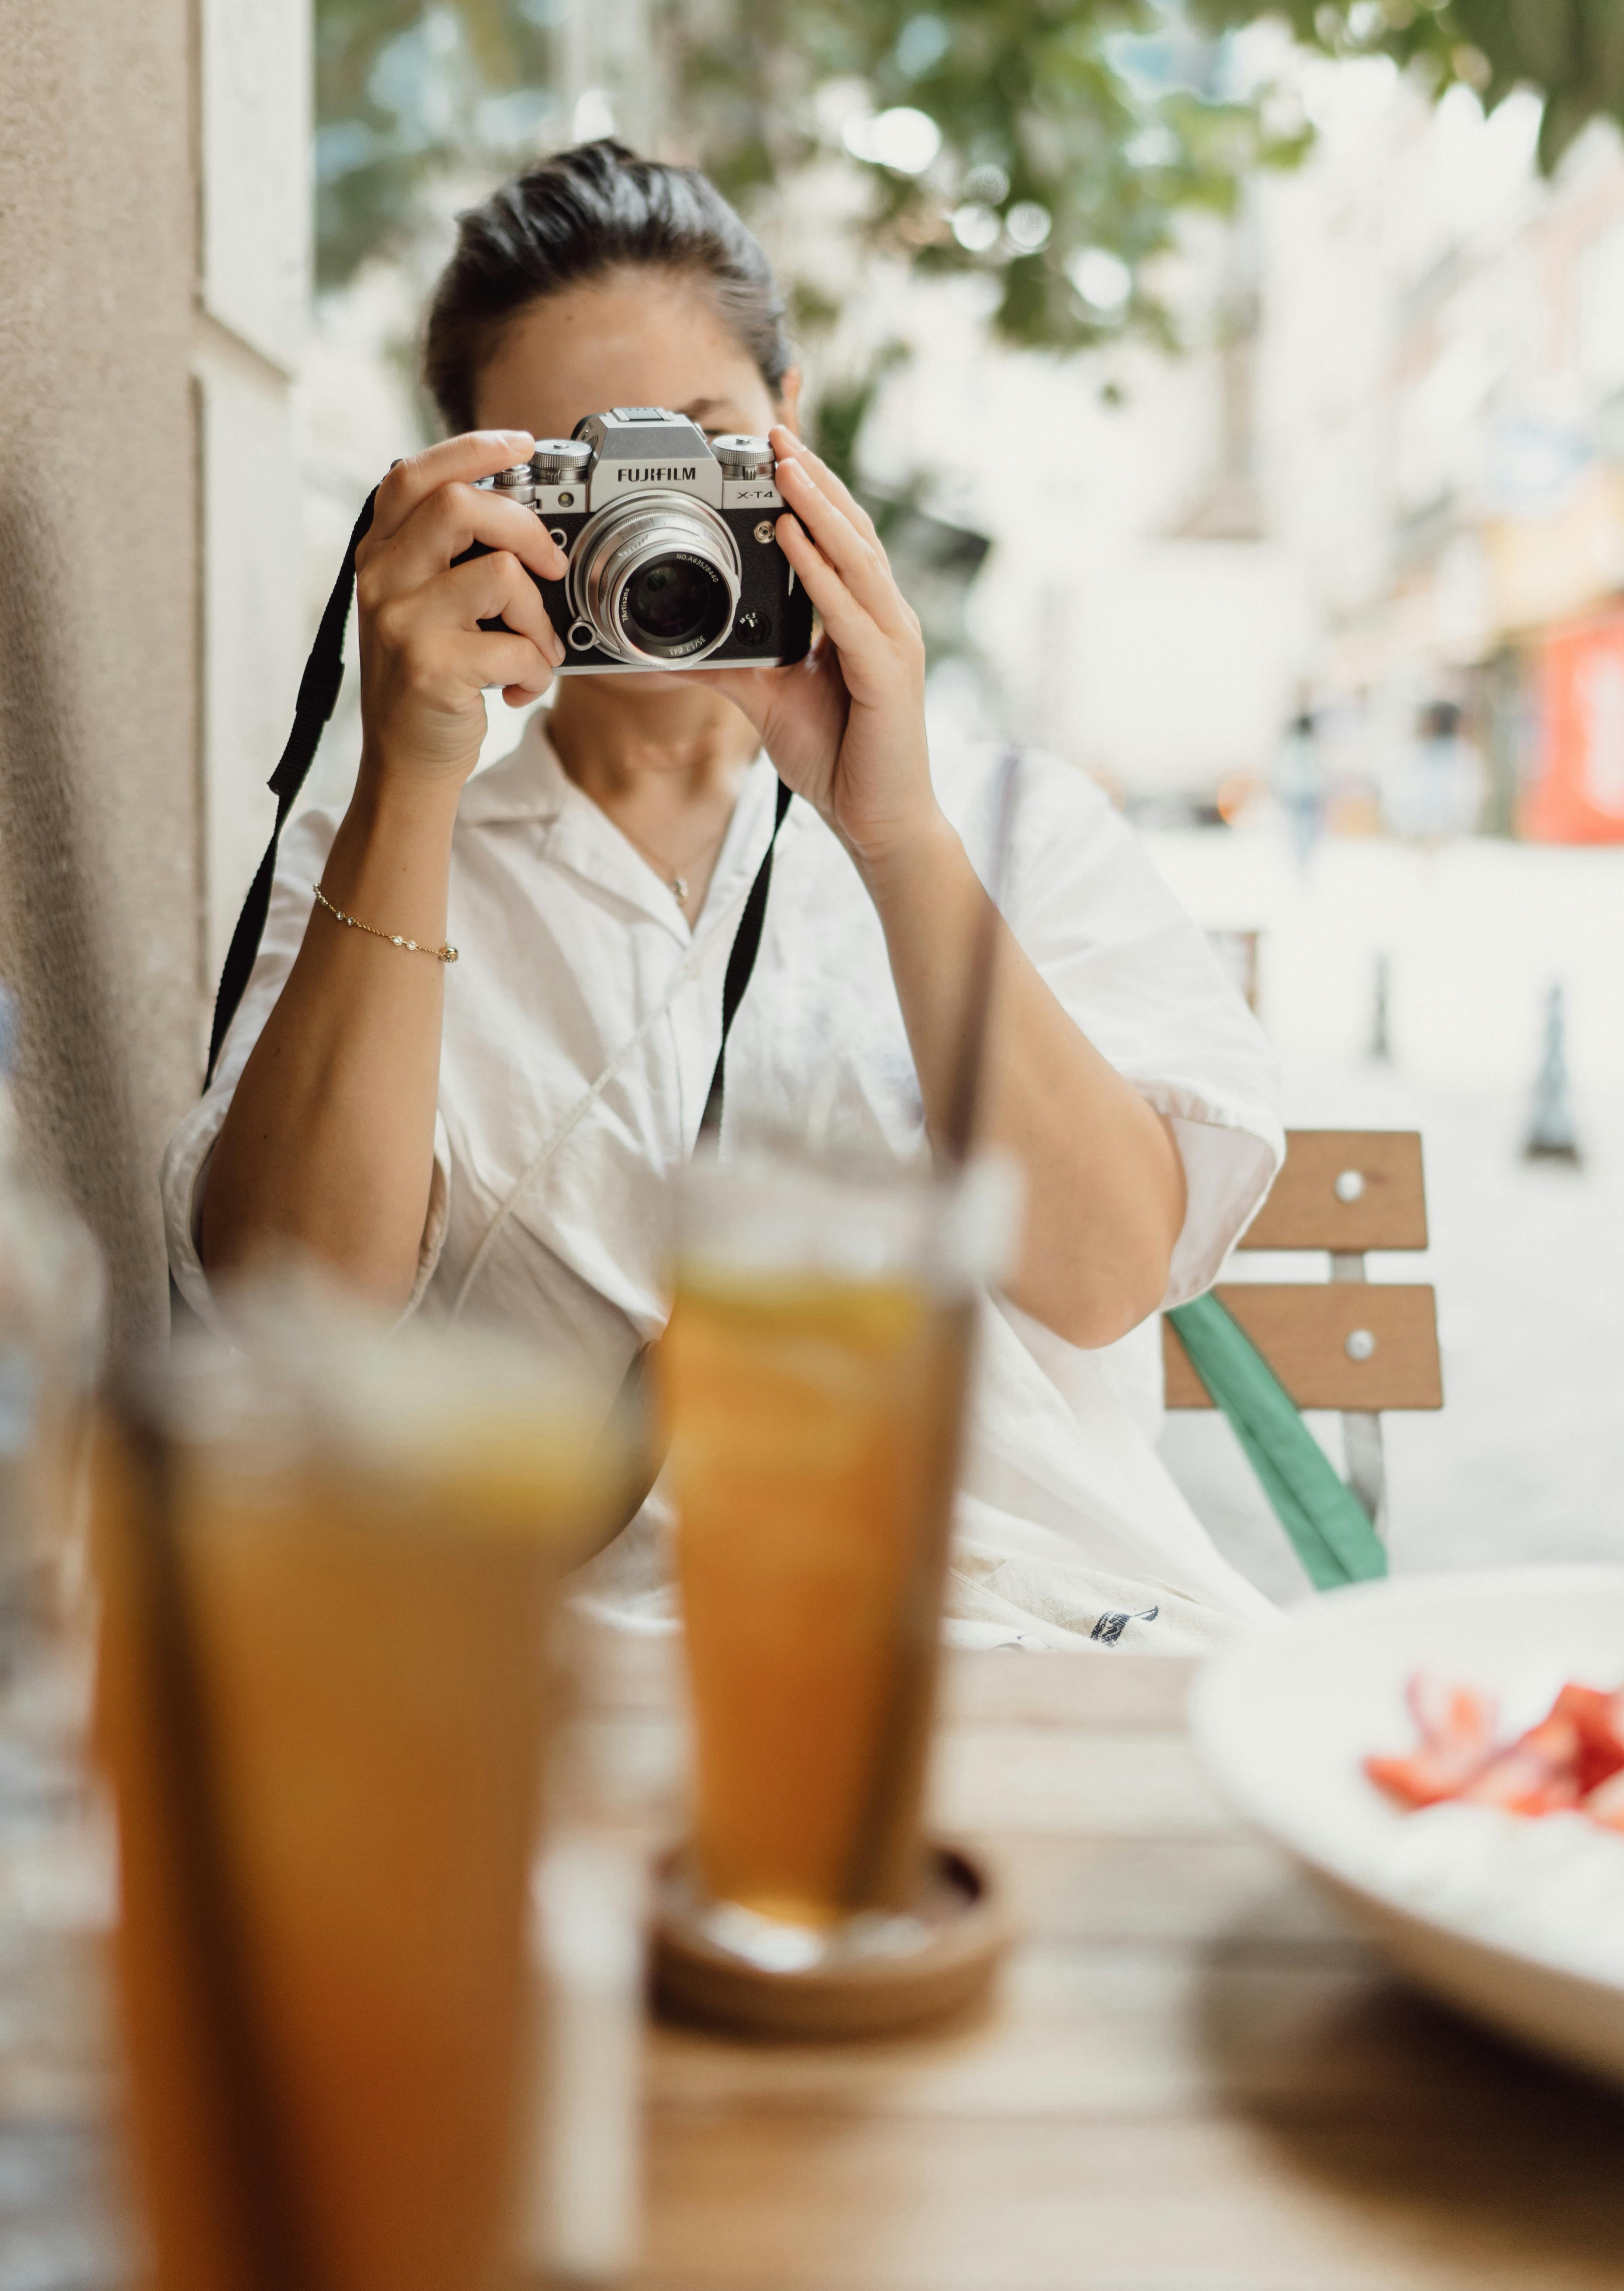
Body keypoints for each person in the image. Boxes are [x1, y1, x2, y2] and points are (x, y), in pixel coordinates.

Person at [164, 140, 1282, 1651]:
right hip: (597, 1667)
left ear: (790, 433)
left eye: (697, 448)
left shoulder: (1019, 826)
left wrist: (893, 832)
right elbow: (298, 1309)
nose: (653, 523)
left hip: (1049, 1631)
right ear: (478, 495)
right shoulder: (383, 858)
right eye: (584, 470)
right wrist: (409, 771)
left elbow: (1099, 1280)